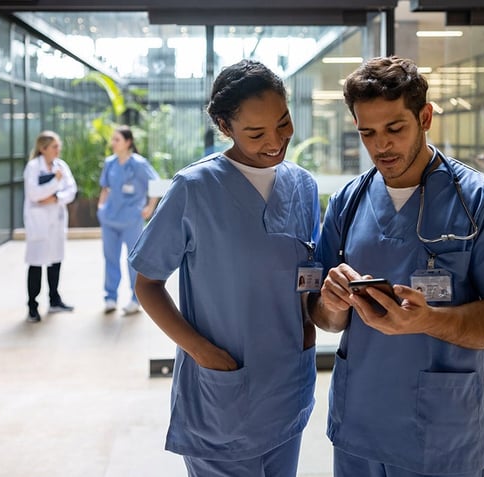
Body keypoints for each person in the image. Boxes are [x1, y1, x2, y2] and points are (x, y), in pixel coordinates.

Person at [308, 56, 484, 477]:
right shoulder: (348, 203)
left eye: (395, 129)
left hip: (440, 430)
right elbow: (325, 319)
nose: (381, 146)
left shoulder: (481, 202)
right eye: (367, 133)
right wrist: (332, 302)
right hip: (359, 422)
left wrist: (429, 321)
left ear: (425, 116)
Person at [128, 59, 320, 476]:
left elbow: (307, 275)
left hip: (287, 385)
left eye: (283, 123)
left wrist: (307, 327)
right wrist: (200, 351)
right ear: (224, 126)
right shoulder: (193, 189)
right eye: (255, 133)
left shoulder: (303, 186)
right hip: (223, 396)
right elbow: (148, 282)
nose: (275, 141)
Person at [97, 125, 159, 316]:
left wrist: (150, 207)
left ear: (128, 142)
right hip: (110, 219)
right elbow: (105, 188)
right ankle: (110, 297)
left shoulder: (139, 164)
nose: (113, 143)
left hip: (132, 220)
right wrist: (101, 208)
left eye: (117, 140)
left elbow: (157, 184)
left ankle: (135, 299)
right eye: (113, 139)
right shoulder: (110, 163)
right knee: (110, 258)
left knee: (133, 261)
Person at [22, 130, 78, 322]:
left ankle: (54, 300)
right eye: (55, 146)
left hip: (57, 220)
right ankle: (32, 306)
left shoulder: (61, 166)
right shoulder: (33, 167)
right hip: (38, 223)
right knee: (36, 264)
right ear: (43, 148)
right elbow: (34, 194)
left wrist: (54, 197)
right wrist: (55, 181)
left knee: (55, 261)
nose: (58, 149)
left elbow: (72, 190)